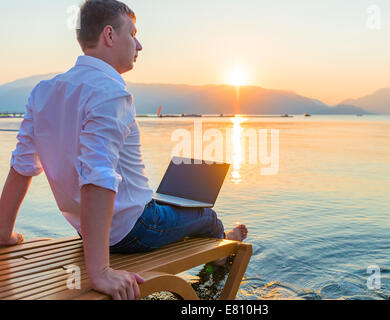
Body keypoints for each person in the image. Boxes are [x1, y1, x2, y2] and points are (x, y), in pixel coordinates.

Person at [0, 0, 247, 300]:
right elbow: (97, 177)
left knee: (173, 201)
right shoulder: (110, 91)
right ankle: (221, 253)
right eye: (132, 34)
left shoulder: (43, 91)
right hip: (133, 230)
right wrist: (100, 271)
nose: (139, 44)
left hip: (86, 229)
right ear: (109, 35)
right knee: (208, 216)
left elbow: (22, 167)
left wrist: (4, 233)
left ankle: (195, 226)